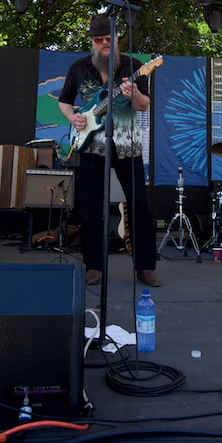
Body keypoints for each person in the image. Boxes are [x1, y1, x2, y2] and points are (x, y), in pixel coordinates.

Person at [58, 15, 160, 287]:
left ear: (116, 38)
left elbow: (143, 105)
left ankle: (145, 267)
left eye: (108, 38)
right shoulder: (79, 68)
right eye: (98, 39)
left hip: (128, 146)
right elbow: (64, 101)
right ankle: (93, 266)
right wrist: (73, 119)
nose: (104, 43)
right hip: (91, 146)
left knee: (138, 206)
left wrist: (133, 94)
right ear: (92, 41)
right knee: (91, 207)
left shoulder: (134, 67)